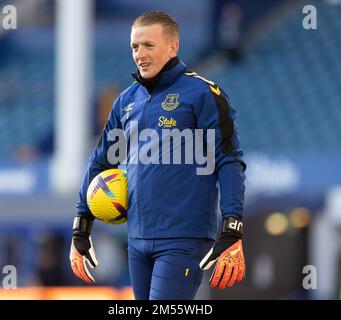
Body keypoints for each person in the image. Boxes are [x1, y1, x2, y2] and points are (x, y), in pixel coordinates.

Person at [69, 11, 247, 300]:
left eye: (148, 45)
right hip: (137, 239)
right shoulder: (126, 100)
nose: (140, 54)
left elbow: (229, 161)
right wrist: (81, 227)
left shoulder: (203, 93)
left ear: (173, 47)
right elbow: (101, 161)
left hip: (183, 238)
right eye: (135, 47)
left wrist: (232, 228)